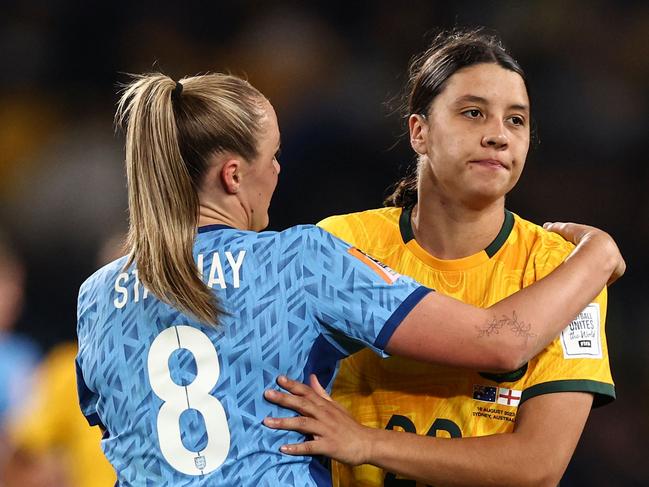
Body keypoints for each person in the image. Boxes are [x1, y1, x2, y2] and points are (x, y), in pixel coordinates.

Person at [75, 71, 623, 486]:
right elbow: (502, 342)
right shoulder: (303, 259)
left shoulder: (96, 297)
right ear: (233, 175)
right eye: (276, 155)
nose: (279, 171)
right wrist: (598, 255)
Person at [264, 28, 620, 486]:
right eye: (473, 113)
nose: (497, 135)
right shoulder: (339, 243)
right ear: (419, 131)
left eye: (516, 120)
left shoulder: (564, 270)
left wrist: (367, 443)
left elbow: (538, 464)